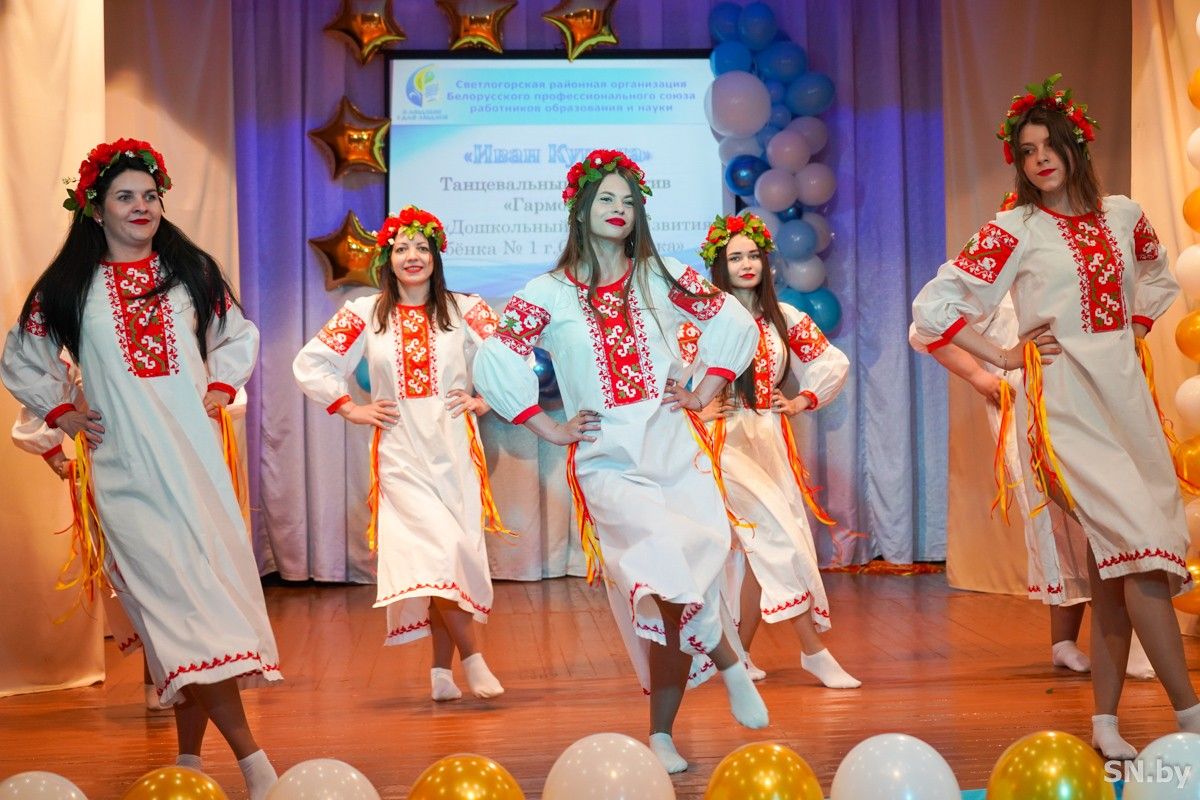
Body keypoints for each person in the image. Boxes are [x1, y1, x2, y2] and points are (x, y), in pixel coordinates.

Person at [911, 75, 1199, 759]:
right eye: (1026, 149)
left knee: (1116, 566)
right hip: (1064, 407)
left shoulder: (1124, 216)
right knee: (1143, 556)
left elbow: (1158, 276)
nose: (1039, 158)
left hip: (1127, 404)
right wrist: (1004, 354)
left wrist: (1127, 333)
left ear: (1076, 146)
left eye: (1050, 145)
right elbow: (933, 306)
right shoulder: (1016, 227)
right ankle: (1191, 717)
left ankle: (1104, 724)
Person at [473, 149, 767, 774]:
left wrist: (702, 392)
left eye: (629, 201)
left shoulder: (660, 276)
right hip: (608, 460)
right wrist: (548, 428)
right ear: (580, 208)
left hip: (672, 447)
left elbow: (735, 322)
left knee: (683, 584)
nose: (618, 209)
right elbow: (496, 357)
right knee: (663, 575)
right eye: (606, 198)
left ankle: (661, 732)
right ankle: (729, 661)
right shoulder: (548, 292)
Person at [1, 139, 280, 797]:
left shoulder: (191, 273)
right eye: (124, 196)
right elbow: (21, 357)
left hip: (195, 466)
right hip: (124, 471)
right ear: (95, 208)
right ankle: (257, 766)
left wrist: (222, 386)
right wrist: (64, 411)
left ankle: (188, 763)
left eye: (150, 195)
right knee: (181, 608)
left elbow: (238, 334)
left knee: (190, 609)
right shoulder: (69, 287)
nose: (141, 206)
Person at [293, 206, 507, 702]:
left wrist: (485, 400)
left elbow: (511, 356)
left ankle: (439, 672)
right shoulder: (365, 313)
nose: (412, 256)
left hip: (454, 449)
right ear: (387, 258)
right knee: (438, 552)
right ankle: (473, 660)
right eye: (402, 248)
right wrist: (349, 407)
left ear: (436, 256)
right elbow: (311, 362)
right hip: (400, 451)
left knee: (449, 559)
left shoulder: (465, 308)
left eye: (422, 247)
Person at [912, 294, 1157, 680]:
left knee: (1099, 515)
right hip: (1032, 404)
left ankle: (1094, 640)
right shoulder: (993, 278)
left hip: (1088, 398)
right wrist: (980, 374)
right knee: (1063, 521)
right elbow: (928, 325)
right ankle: (1103, 640)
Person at [695, 212, 859, 689]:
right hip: (722, 444)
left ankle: (738, 657)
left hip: (767, 439)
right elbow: (668, 376)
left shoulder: (783, 318)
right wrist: (697, 409)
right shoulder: (703, 321)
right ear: (720, 267)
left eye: (753, 256)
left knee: (757, 550)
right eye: (735, 258)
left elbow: (832, 362)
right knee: (773, 537)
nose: (746, 264)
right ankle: (813, 651)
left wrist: (803, 399)